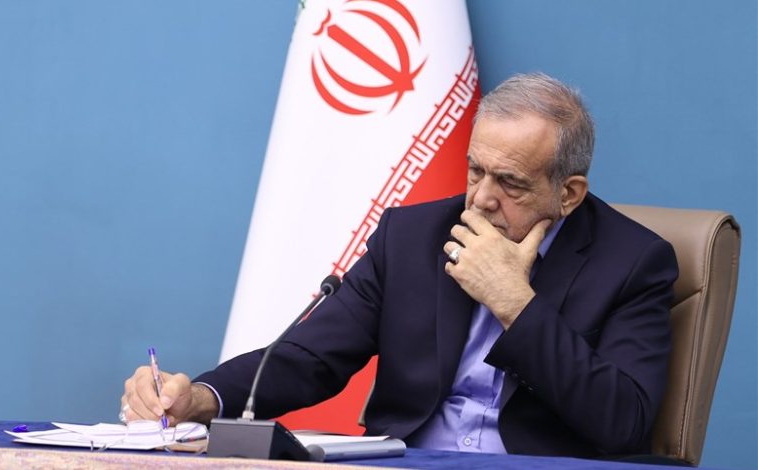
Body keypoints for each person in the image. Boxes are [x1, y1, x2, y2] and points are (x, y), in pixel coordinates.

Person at [121, 73, 678, 458]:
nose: (482, 199)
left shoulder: (633, 263)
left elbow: (622, 421)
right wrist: (200, 399)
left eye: (510, 183)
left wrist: (514, 302)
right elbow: (311, 357)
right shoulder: (413, 236)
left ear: (569, 193)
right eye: (475, 171)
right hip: (407, 461)